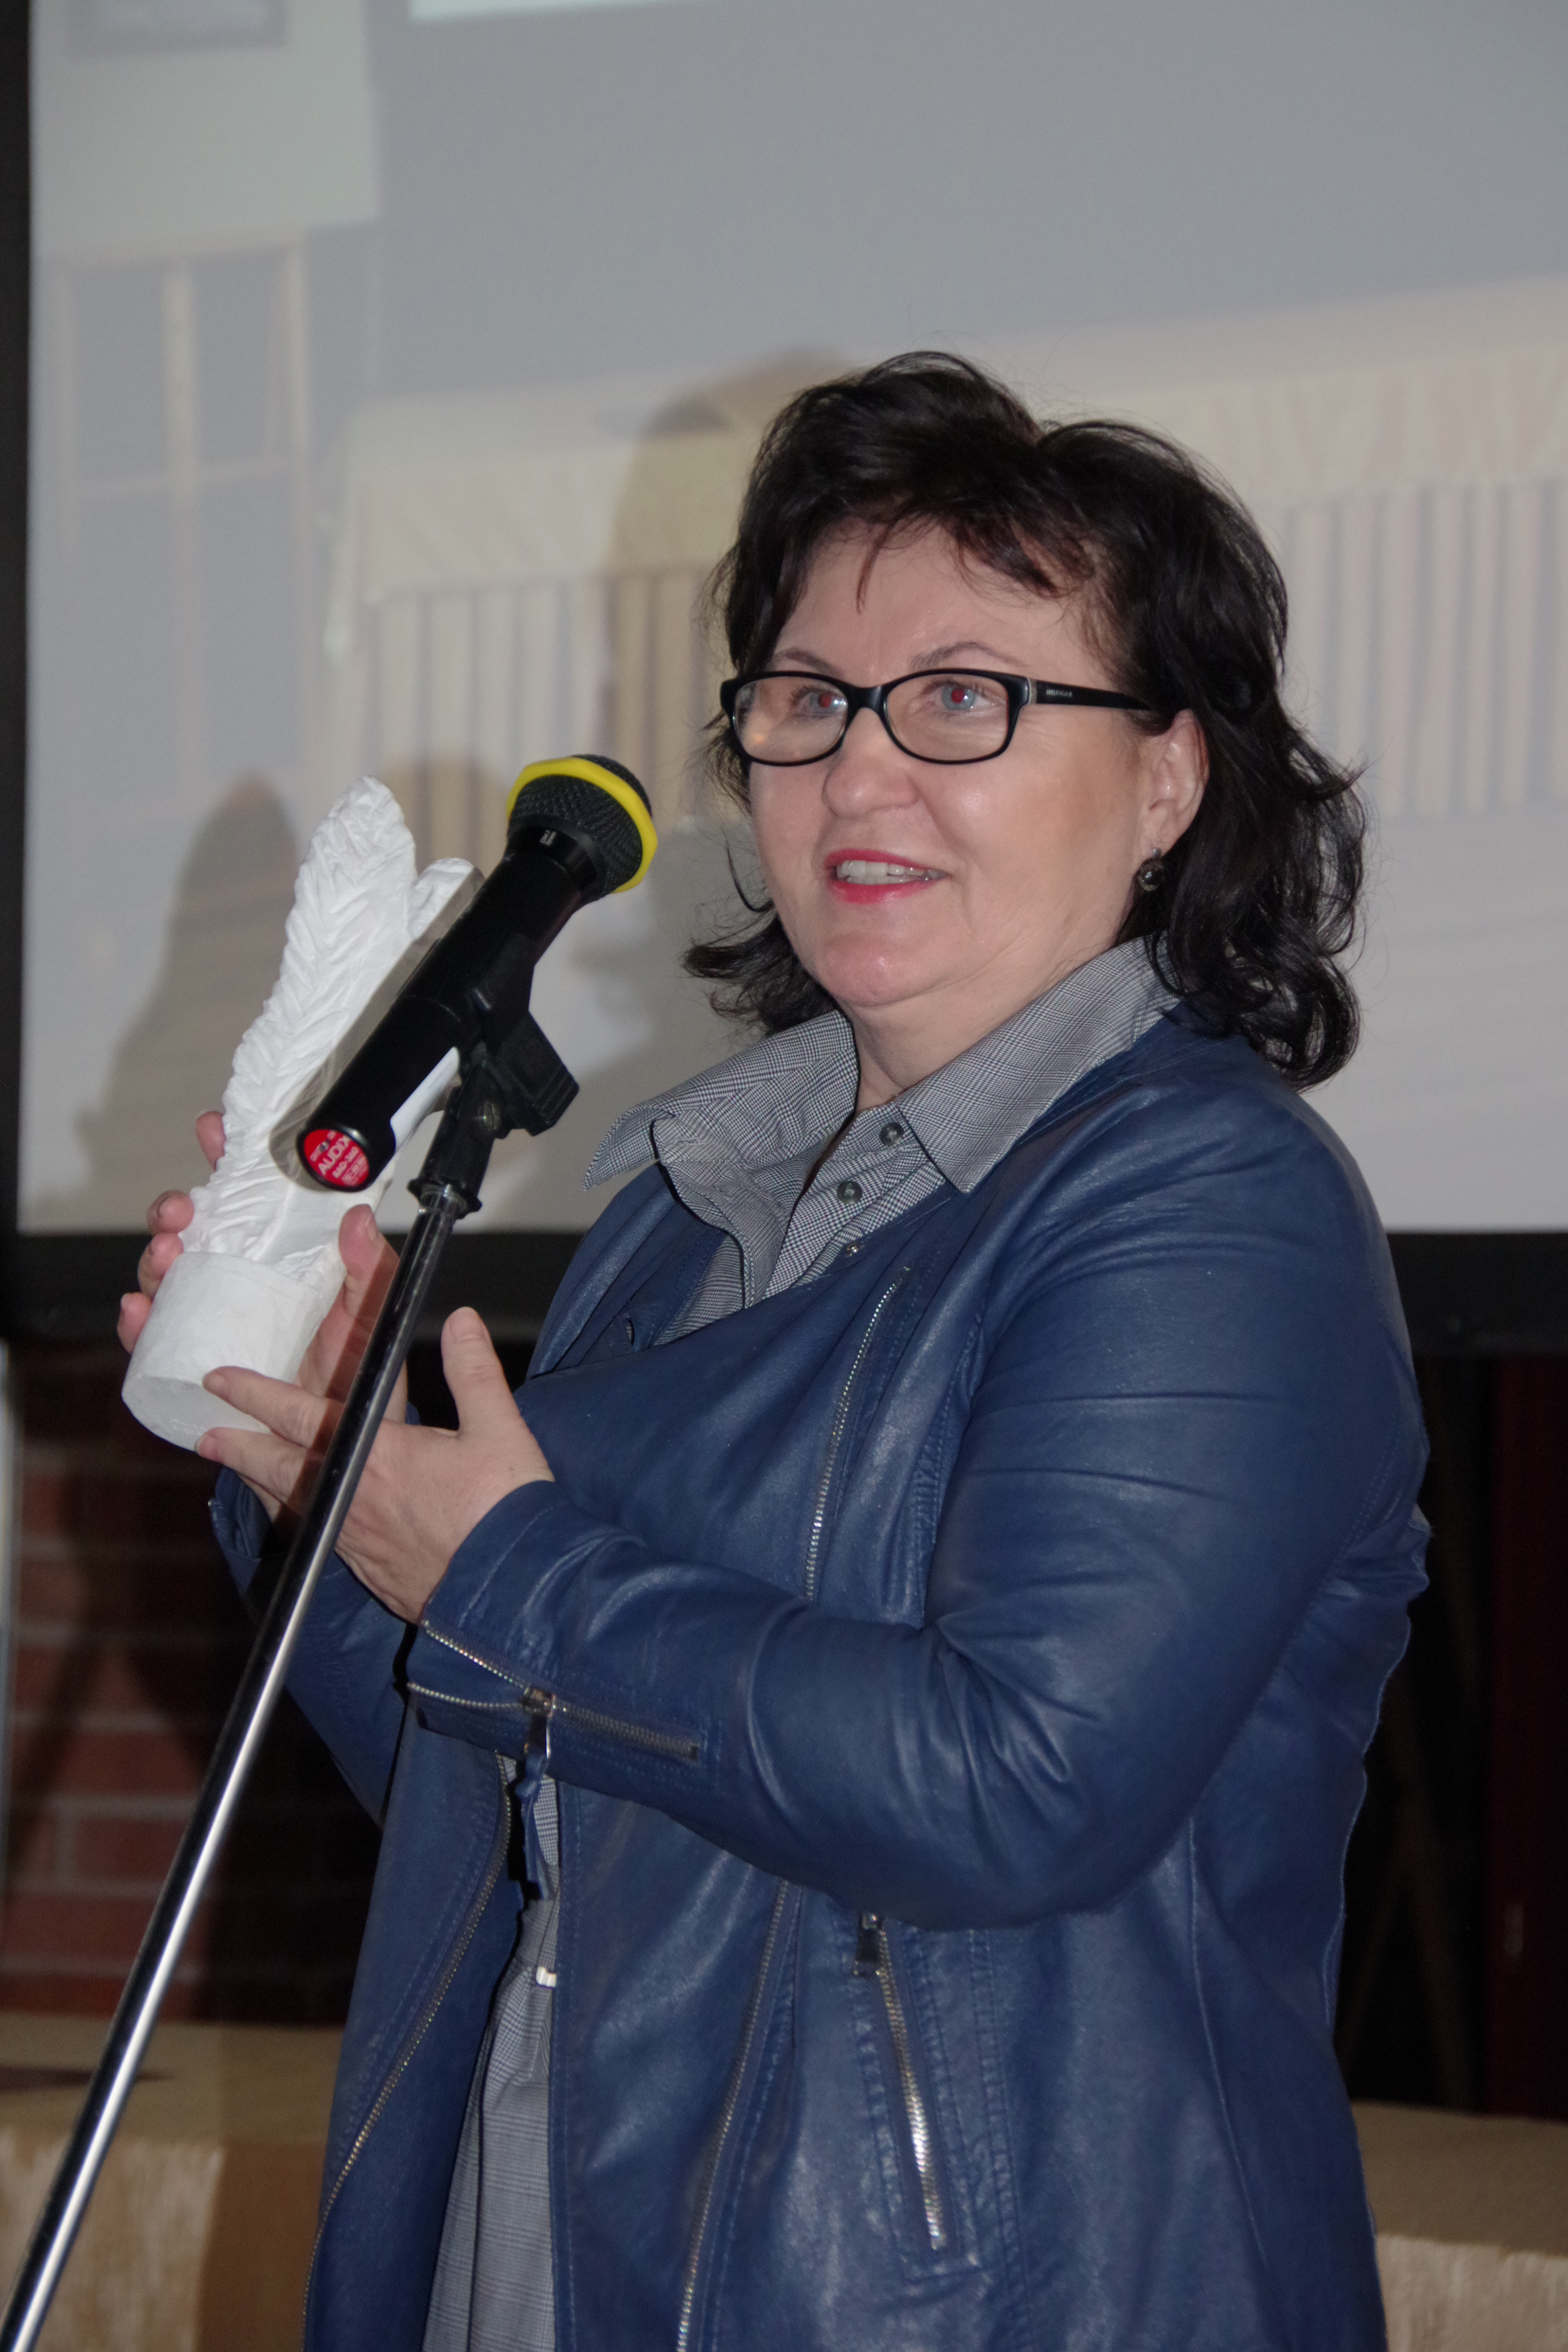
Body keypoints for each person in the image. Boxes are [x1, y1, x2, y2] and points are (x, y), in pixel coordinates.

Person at [122, 354, 1427, 2352]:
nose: (860, 775)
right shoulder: (683, 1212)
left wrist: (502, 1572)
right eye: (809, 700)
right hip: (564, 2261)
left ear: (1170, 778)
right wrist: (320, 1469)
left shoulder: (1207, 1205)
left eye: (966, 699)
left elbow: (1023, 1780)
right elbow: (497, 1799)